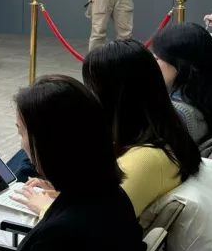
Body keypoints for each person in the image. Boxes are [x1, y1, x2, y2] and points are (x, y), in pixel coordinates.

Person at [6, 76, 145, 251]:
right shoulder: (113, 196)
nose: (21, 144)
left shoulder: (62, 236)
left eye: (21, 132)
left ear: (49, 143)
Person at [82, 39, 203, 216]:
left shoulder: (145, 159)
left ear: (112, 95)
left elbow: (95, 225)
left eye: (92, 87)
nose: (88, 95)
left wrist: (47, 207)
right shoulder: (166, 130)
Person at [151, 22, 212, 144]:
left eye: (157, 58)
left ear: (180, 65)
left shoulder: (177, 114)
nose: (152, 62)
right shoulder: (210, 92)